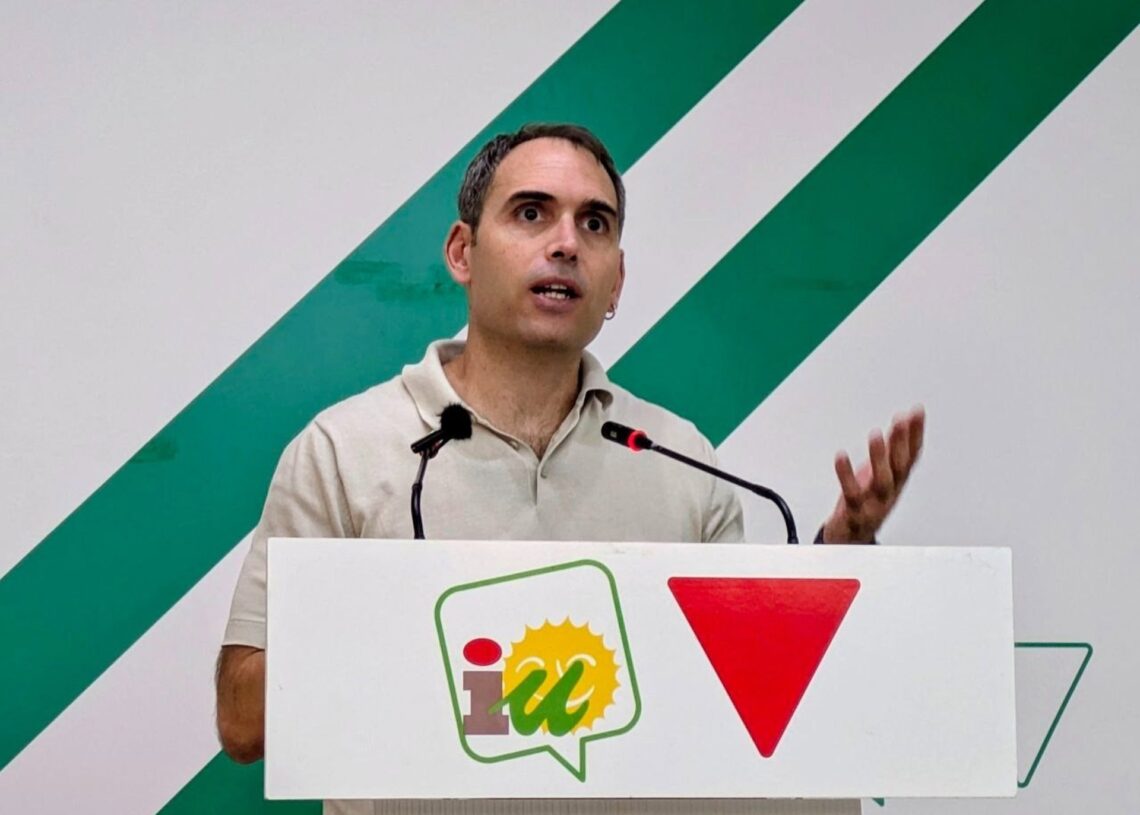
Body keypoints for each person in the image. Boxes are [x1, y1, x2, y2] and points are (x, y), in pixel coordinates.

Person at [215, 123, 924, 808]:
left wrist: (841, 554)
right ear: (462, 252)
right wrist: (429, 643)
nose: (565, 244)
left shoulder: (683, 461)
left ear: (616, 281)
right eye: (531, 213)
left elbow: (745, 701)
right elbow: (242, 720)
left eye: (595, 225)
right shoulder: (344, 449)